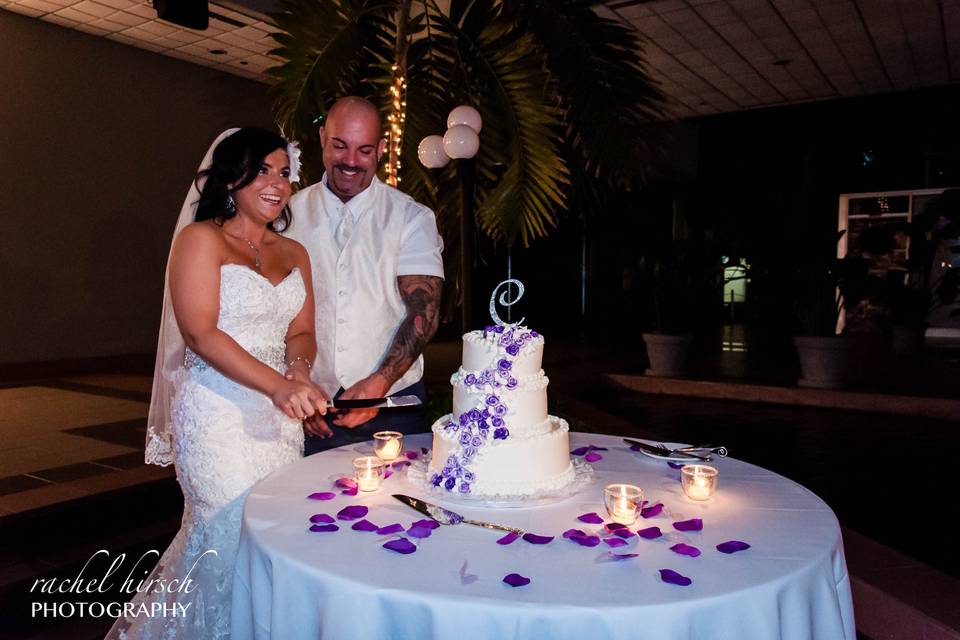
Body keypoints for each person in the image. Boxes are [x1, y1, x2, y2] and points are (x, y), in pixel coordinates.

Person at [108, 128, 328, 638]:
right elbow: (201, 333)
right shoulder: (200, 239)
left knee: (272, 536)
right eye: (262, 171)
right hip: (217, 418)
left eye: (284, 173)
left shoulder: (295, 253)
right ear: (232, 178)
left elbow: (302, 329)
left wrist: (298, 371)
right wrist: (278, 384)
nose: (276, 183)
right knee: (225, 533)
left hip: (279, 424)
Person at [286, 96, 444, 454]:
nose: (351, 162)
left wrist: (380, 382)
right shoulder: (287, 216)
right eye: (340, 145)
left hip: (394, 409)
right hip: (310, 408)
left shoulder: (411, 217)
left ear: (382, 149)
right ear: (323, 137)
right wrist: (295, 386)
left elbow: (425, 311)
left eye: (365, 150)